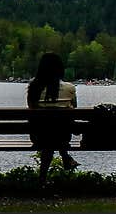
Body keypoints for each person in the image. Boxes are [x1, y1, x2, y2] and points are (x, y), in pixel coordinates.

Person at [27, 52, 79, 182]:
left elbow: (31, 109)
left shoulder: (34, 87)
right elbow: (74, 109)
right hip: (62, 136)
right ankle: (65, 158)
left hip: (39, 137)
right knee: (57, 128)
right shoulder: (70, 88)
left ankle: (42, 179)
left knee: (48, 135)